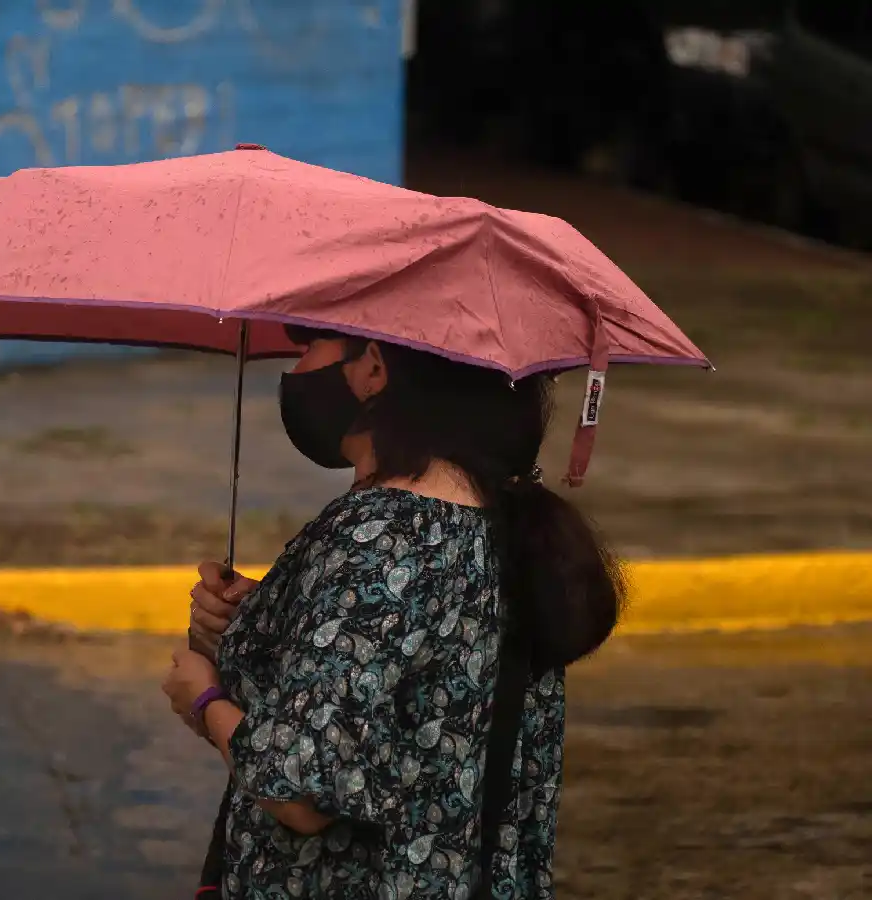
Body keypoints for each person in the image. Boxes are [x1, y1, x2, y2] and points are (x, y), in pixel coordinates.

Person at [162, 326, 625, 899]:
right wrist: (271, 619)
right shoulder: (489, 524)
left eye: (311, 345)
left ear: (374, 368)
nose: (298, 368)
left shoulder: (379, 540)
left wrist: (204, 698)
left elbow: (301, 791)